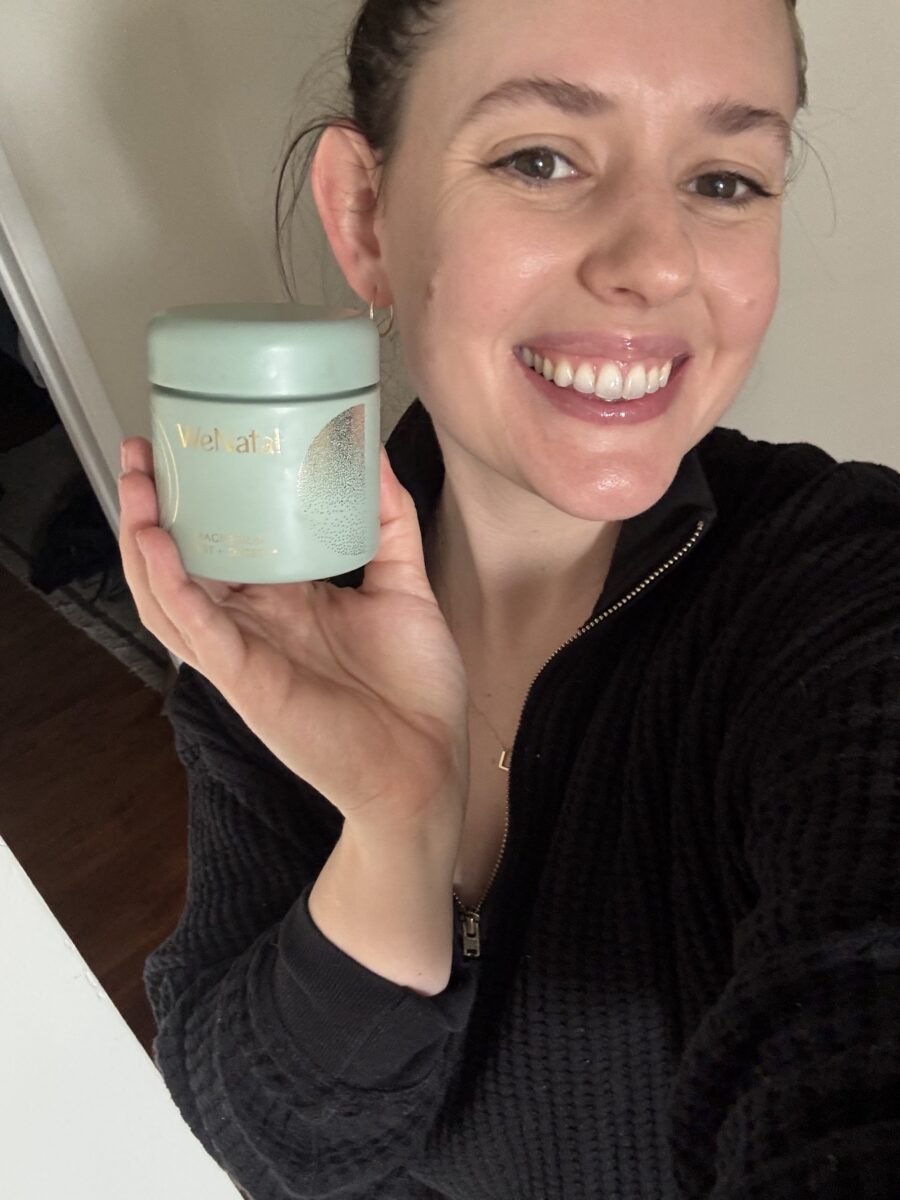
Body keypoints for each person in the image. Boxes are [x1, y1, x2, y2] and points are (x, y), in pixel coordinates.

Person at [117, 0, 900, 1196]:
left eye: (726, 180)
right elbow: (268, 1140)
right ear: (366, 215)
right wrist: (396, 832)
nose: (658, 263)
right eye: (541, 159)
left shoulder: (841, 587)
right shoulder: (281, 611)